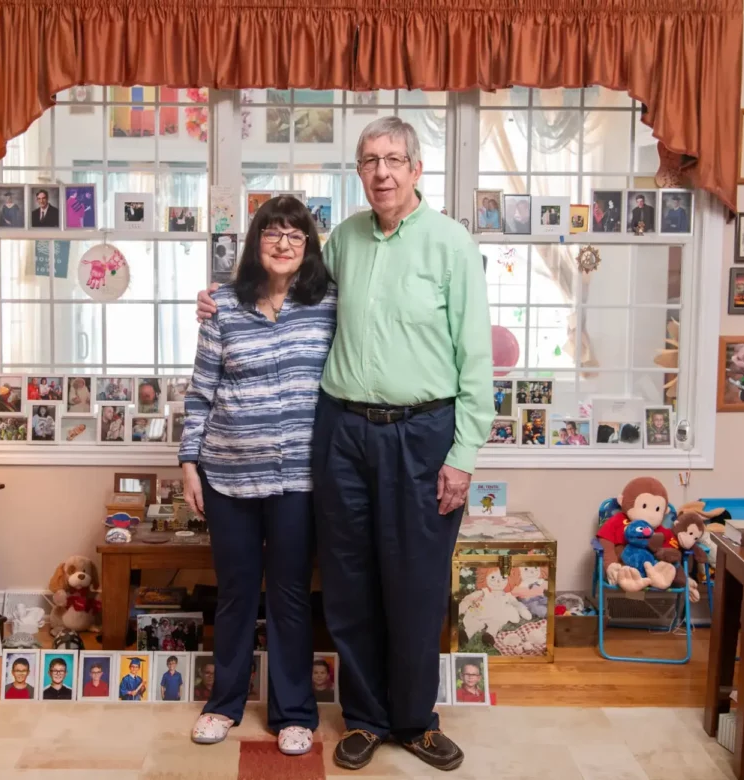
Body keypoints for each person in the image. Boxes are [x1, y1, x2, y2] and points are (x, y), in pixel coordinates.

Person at [196, 116, 492, 772]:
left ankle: (414, 721)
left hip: (423, 433)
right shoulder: (345, 243)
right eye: (369, 161)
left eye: (393, 160)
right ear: (359, 172)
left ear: (416, 169)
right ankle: (364, 718)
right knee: (350, 582)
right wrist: (219, 299)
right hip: (343, 433)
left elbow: (476, 357)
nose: (381, 172)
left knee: (415, 583)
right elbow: (283, 284)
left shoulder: (451, 244)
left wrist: (463, 455)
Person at [181, 195, 335, 757]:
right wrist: (189, 463)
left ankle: (294, 712)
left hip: (298, 478)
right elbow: (201, 390)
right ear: (255, 242)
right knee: (236, 593)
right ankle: (223, 704)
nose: (283, 243)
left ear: (308, 246)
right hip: (227, 474)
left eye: (295, 234)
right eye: (272, 233)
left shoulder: (329, 304)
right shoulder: (222, 305)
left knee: (291, 594)